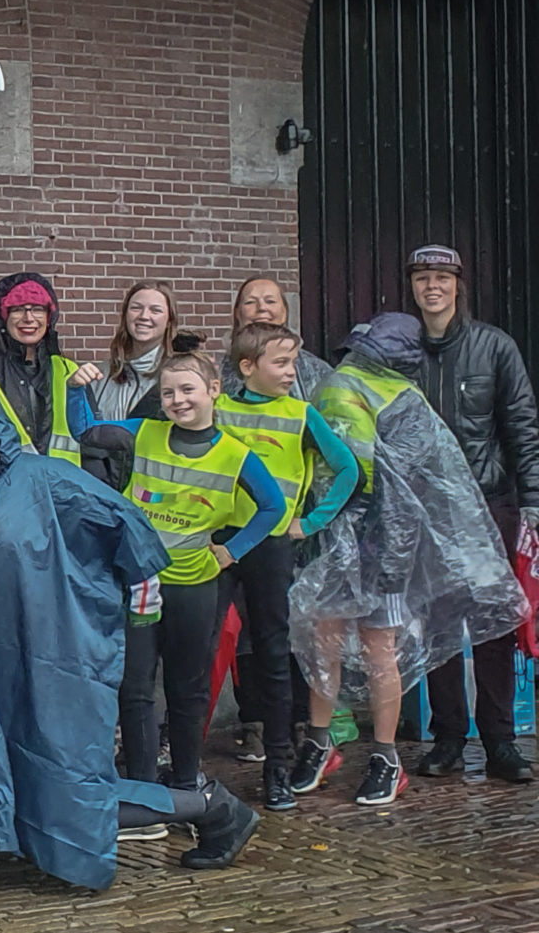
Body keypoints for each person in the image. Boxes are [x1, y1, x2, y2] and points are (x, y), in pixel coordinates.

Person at [0, 373, 260, 902]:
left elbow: (119, 520)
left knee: (64, 780)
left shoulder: (38, 480)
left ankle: (212, 807)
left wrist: (135, 587)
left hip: (30, 655)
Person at [291, 313, 528, 805]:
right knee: (363, 646)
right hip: (368, 539)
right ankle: (371, 752)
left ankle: (351, 748)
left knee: (339, 643)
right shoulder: (401, 399)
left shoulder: (355, 390)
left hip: (357, 537)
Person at [70, 346, 287, 806]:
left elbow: (274, 507)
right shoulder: (143, 433)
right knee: (135, 687)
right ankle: (144, 788)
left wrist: (233, 551)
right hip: (142, 585)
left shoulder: (235, 455)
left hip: (194, 588)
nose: (176, 399)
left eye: (187, 389)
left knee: (187, 688)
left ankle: (186, 780)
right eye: (167, 392)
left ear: (213, 391)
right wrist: (75, 390)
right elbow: (88, 433)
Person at [215, 322, 361, 809]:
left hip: (273, 546)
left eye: (293, 362)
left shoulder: (301, 412)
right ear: (247, 368)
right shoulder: (218, 409)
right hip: (218, 542)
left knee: (275, 657)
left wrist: (312, 521)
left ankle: (278, 766)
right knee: (205, 651)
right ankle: (186, 770)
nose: (291, 372)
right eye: (281, 362)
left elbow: (348, 469)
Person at [408, 245, 539, 784]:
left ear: (458, 285)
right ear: (412, 287)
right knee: (437, 625)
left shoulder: (494, 347)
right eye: (422, 278)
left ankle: (500, 741)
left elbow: (522, 426)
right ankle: (447, 738)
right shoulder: (401, 349)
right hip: (422, 508)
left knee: (493, 626)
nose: (431, 287)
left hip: (488, 504)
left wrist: (531, 501)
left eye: (441, 277)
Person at [0, 272, 86, 463]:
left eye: (38, 309)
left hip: (62, 489)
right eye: (17, 309)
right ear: (2, 316)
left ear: (49, 316)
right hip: (3, 489)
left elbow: (93, 446)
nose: (29, 318)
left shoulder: (70, 372)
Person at [221, 276, 331, 402]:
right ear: (238, 313)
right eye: (250, 302)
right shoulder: (217, 371)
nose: (262, 307)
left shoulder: (316, 369)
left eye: (270, 301)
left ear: (284, 312)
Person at [88, 283, 179, 421]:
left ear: (169, 321)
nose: (143, 316)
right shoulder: (99, 376)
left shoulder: (180, 374)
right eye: (136, 308)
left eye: (155, 310)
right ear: (125, 316)